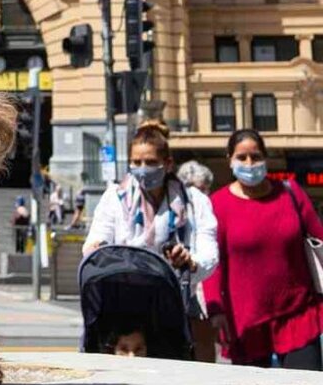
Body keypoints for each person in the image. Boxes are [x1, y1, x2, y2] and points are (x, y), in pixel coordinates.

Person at [203, 129, 323, 370]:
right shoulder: (218, 204)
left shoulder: (291, 194)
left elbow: (319, 237)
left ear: (265, 159)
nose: (249, 163)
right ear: (230, 160)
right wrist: (215, 308)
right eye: (242, 157)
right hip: (246, 322)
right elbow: (214, 262)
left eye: (256, 157)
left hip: (298, 314)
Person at [83, 121, 219, 280]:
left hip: (176, 297)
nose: (143, 169)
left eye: (151, 162)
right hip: (124, 295)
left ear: (168, 164)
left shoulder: (194, 201)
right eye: (136, 162)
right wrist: (98, 250)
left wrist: (190, 262)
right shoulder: (114, 198)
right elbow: (96, 240)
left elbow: (209, 254)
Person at [176, 160, 218, 362]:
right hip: (183, 285)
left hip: (205, 286)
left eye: (205, 189)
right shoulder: (176, 208)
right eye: (197, 189)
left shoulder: (208, 210)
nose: (202, 194)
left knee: (203, 342)